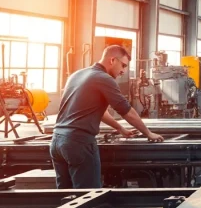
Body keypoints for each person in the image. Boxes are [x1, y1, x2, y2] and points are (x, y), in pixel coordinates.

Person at [50, 45, 165, 189]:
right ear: (112, 60)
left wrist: (120, 128)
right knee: (86, 196)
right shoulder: (103, 78)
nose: (123, 71)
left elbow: (100, 112)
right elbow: (126, 111)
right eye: (123, 65)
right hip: (78, 142)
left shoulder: (77, 75)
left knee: (65, 195)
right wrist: (148, 133)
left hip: (57, 142)